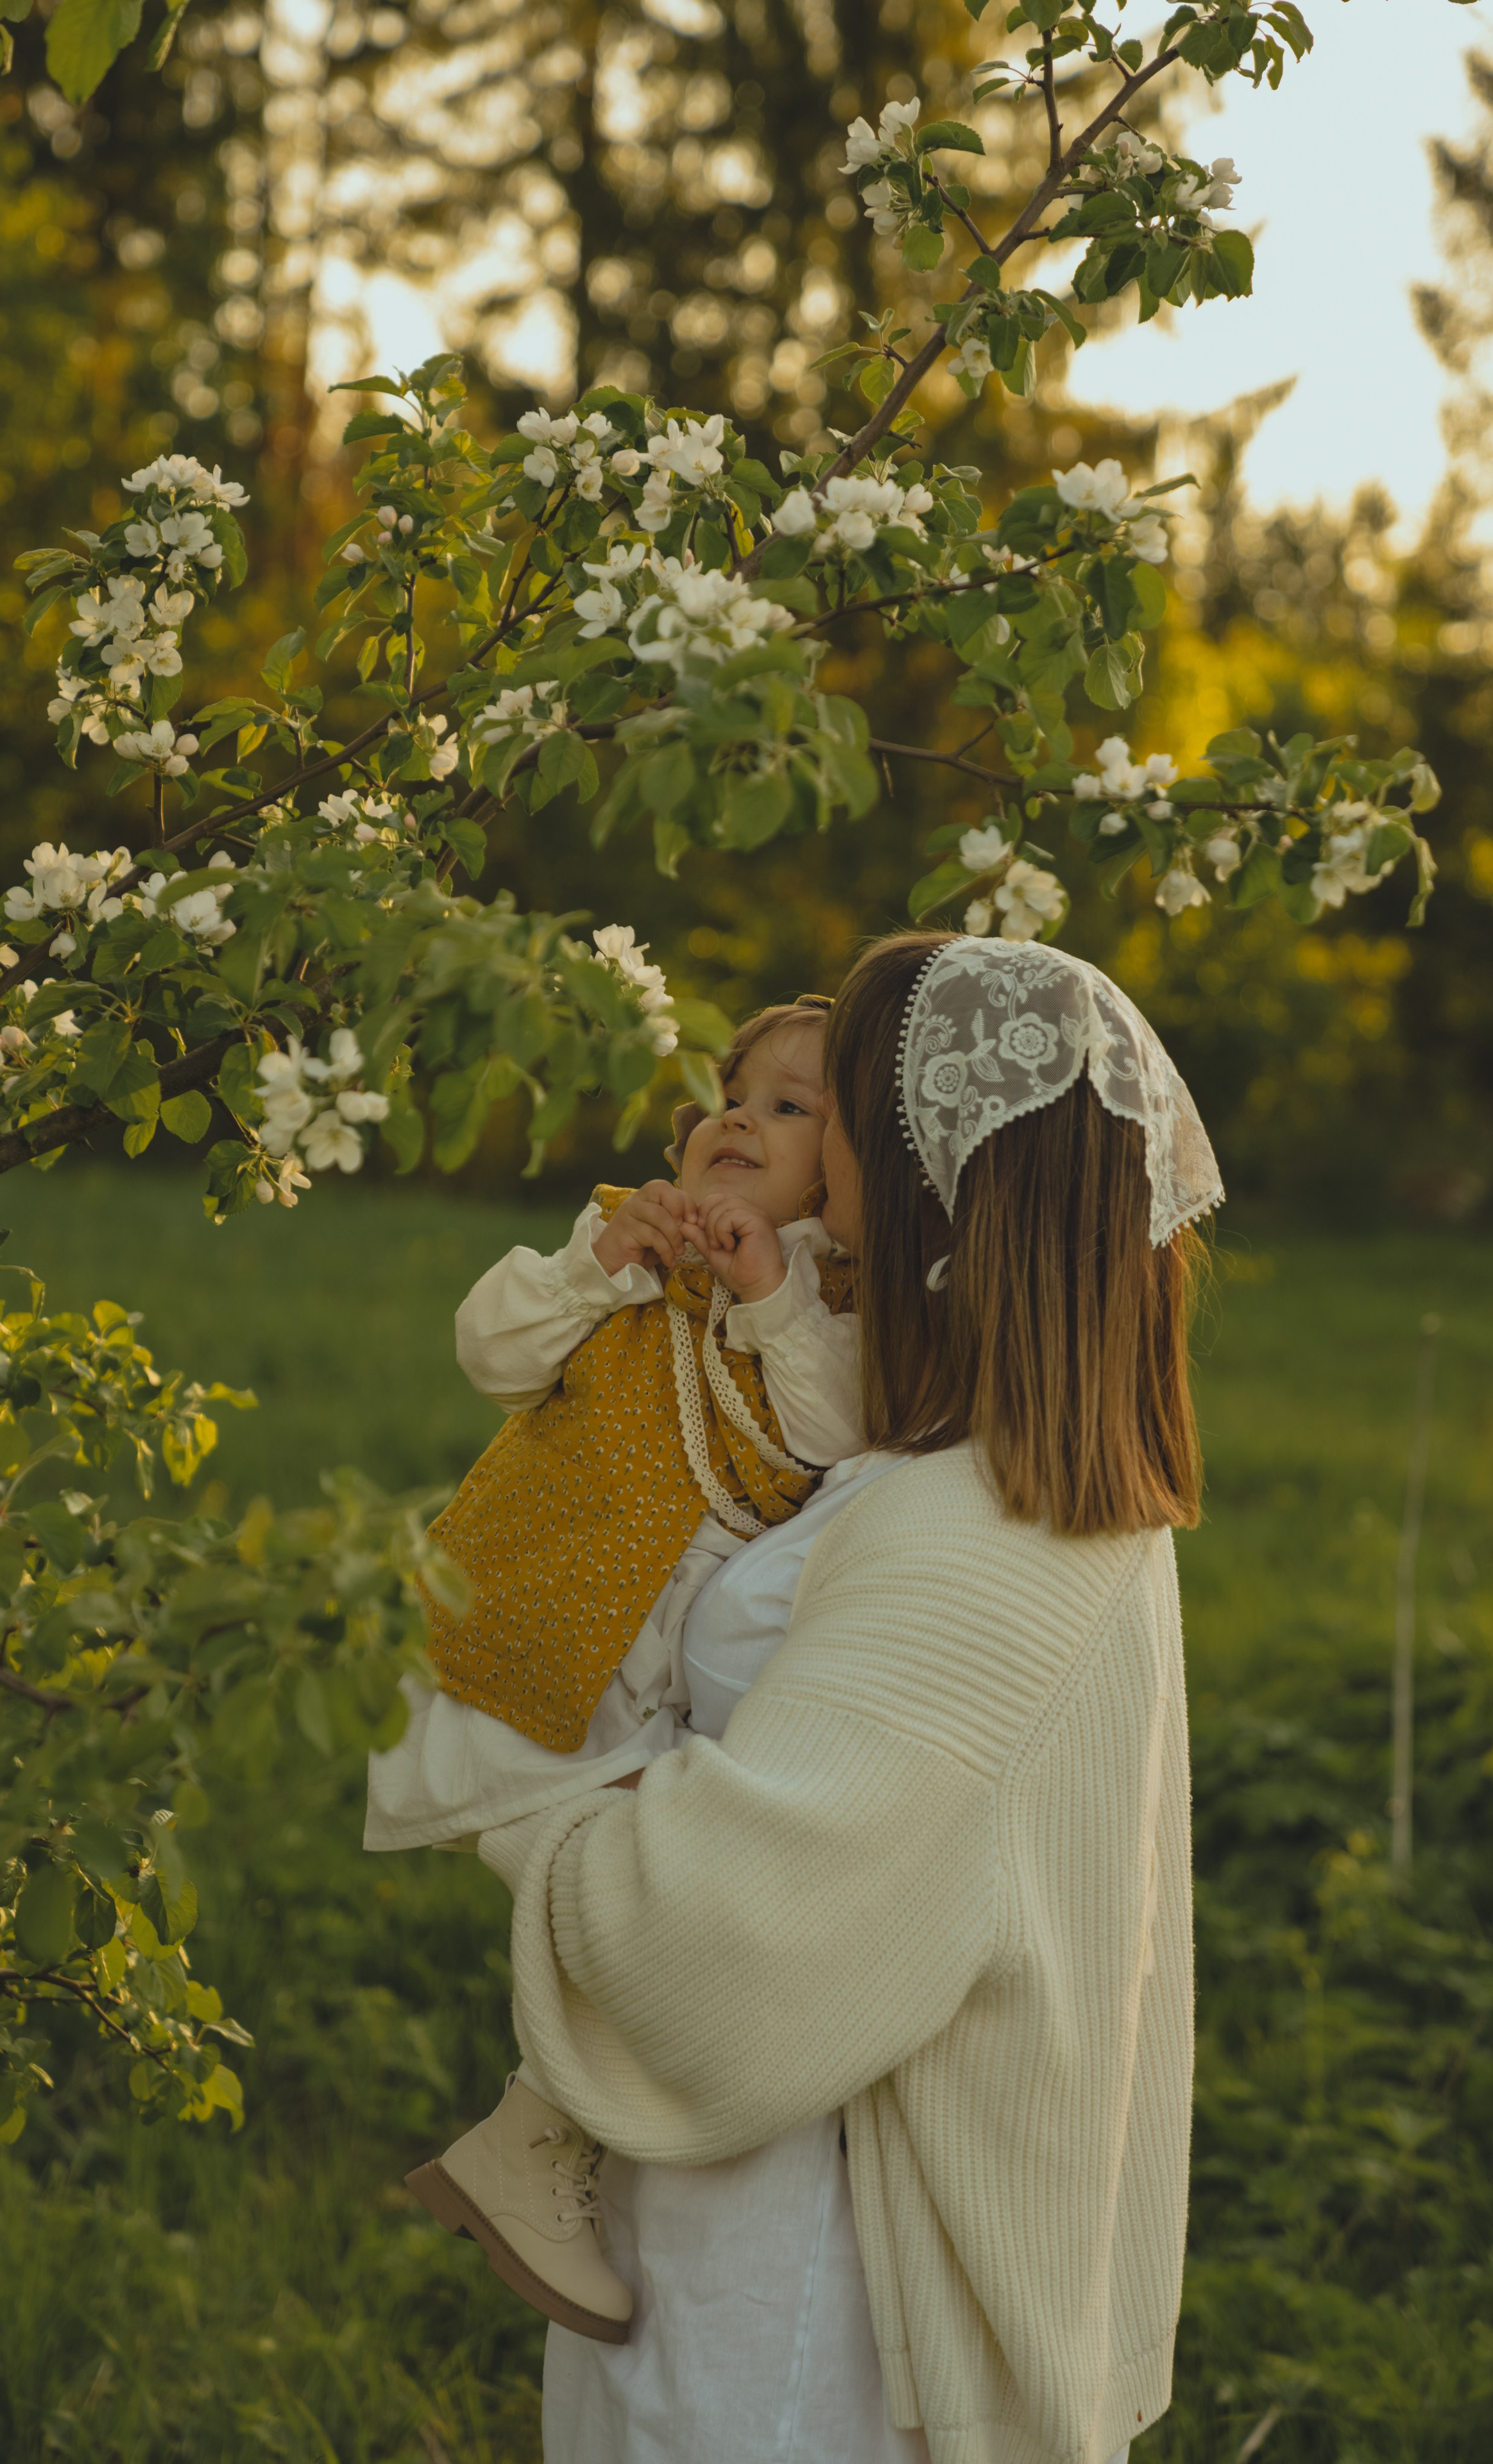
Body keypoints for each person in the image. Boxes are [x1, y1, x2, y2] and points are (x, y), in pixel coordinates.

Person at [475, 930, 1223, 2464]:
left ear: (942, 1169)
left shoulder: (976, 1537)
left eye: (855, 1111)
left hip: (798, 2276)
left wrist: (514, 1779)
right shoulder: (968, 1469)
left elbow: (720, 1944)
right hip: (727, 2205)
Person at [368, 997, 864, 2341]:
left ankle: (534, 2146)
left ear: (857, 1157)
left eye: (785, 1105)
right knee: (642, 1918)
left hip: (648, 1690)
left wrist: (768, 1287)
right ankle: (541, 2148)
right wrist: (598, 1266)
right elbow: (490, 1350)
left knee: (666, 1917)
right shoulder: (627, 1247)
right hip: (529, 1643)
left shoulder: (832, 1302)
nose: (733, 1122)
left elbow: (837, 1429)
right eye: (725, 1095)